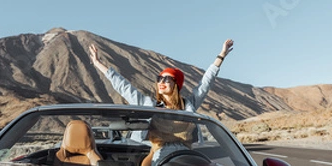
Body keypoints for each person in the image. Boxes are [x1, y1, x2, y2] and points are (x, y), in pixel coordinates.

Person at [88, 39, 234, 111]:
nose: (161, 81)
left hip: (185, 158)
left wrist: (221, 56)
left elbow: (205, 83)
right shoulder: (149, 105)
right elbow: (123, 87)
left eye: (167, 78)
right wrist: (98, 64)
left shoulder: (188, 105)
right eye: (159, 78)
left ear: (176, 84)